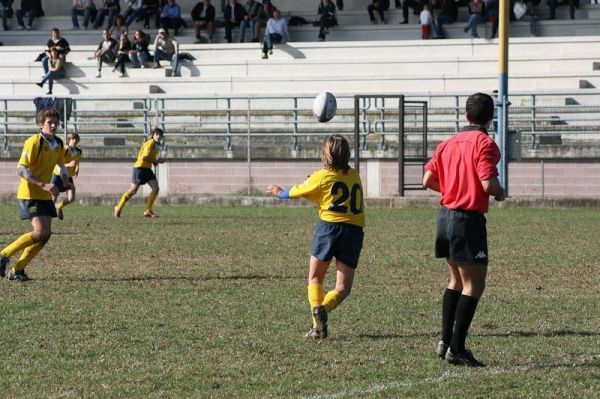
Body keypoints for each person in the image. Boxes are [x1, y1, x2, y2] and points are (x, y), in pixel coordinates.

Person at [422, 92, 506, 367]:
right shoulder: (485, 143)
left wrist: (452, 189)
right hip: (467, 220)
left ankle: (445, 341)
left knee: (455, 281)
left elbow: (427, 179)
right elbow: (487, 184)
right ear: (490, 118)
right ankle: (456, 348)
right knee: (474, 284)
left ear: (466, 115)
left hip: (445, 217)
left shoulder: (448, 143)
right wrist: (500, 192)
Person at [266, 135, 365, 340]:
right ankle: (323, 312)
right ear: (347, 155)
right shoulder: (355, 175)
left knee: (315, 278)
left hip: (328, 229)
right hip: (353, 232)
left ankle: (317, 320)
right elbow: (329, 190)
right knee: (343, 288)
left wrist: (279, 193)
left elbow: (296, 192)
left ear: (325, 155)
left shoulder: (320, 177)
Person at [0, 107, 70, 282]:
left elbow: (61, 166)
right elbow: (21, 169)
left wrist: (66, 180)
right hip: (29, 193)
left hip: (44, 195)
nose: (53, 125)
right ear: (41, 125)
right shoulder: (34, 142)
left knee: (45, 235)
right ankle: (3, 254)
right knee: (40, 232)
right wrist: (43, 184)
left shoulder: (59, 144)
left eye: (56, 122)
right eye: (49, 122)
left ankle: (17, 270)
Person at [114, 127, 165, 219]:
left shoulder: (157, 145)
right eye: (157, 134)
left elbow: (149, 157)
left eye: (160, 135)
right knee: (133, 191)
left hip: (147, 169)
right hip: (140, 168)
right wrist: (156, 160)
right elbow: (144, 157)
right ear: (153, 135)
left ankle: (148, 210)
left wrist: (154, 162)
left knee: (156, 188)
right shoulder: (150, 143)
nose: (159, 136)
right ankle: (119, 207)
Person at [51, 132, 82, 221]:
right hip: (58, 175)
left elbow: (77, 162)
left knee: (71, 198)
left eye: (76, 139)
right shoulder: (64, 150)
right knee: (54, 196)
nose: (74, 141)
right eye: (72, 139)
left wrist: (77, 169)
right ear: (69, 140)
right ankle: (46, 213)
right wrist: (69, 164)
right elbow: (57, 164)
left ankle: (59, 206)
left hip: (68, 176)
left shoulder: (78, 151)